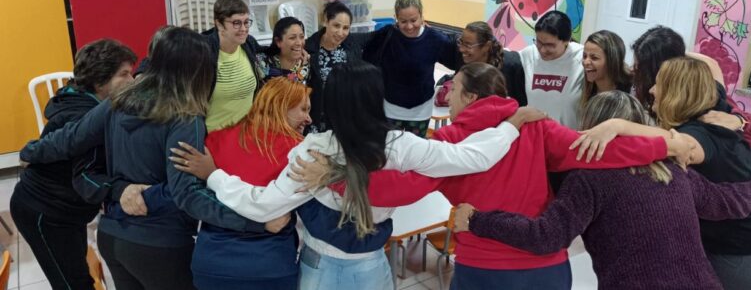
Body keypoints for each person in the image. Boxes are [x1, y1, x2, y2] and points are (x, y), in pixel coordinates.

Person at [293, 63, 692, 290]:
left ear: (469, 98)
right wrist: (666, 145)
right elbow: (599, 151)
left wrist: (335, 177)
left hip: (482, 270)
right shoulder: (538, 127)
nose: (446, 97)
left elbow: (399, 187)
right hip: (545, 269)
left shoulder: (449, 138)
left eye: (453, 90)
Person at [174, 62, 524, 290]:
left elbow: (264, 206)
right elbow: (471, 157)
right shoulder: (402, 146)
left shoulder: (315, 150)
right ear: (377, 99)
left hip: (320, 269)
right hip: (372, 266)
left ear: (331, 104)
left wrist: (216, 175)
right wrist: (512, 125)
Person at [19, 27, 287, 290]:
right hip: (159, 245)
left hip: (112, 237)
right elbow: (187, 196)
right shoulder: (185, 118)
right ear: (198, 71)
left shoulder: (118, 101)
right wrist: (256, 221)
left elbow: (71, 139)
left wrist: (29, 151)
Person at [453, 90, 751, 290]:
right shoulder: (672, 170)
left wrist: (477, 219)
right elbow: (727, 202)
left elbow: (547, 236)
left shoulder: (590, 180)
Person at [573, 57, 751, 290]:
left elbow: (676, 144)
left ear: (676, 92)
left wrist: (617, 126)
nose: (652, 90)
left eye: (659, 83)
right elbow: (712, 66)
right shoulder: (713, 108)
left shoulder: (697, 136)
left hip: (739, 250)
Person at [10, 39, 137, 290]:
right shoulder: (83, 118)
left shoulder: (80, 100)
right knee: (72, 283)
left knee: (79, 271)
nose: (132, 81)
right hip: (45, 212)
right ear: (100, 81)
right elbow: (85, 177)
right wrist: (121, 189)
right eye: (124, 74)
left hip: (65, 210)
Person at [630, 25, 751, 151]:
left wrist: (740, 121)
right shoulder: (663, 79)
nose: (633, 70)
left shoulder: (704, 102)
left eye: (638, 68)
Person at [362, 0, 460, 137]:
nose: (409, 26)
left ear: (422, 16)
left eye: (414, 20)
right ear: (396, 18)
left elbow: (458, 58)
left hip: (421, 111)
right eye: (403, 21)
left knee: (415, 155)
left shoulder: (434, 39)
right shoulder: (386, 36)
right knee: (390, 153)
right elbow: (364, 52)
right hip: (390, 109)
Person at [201, 0, 269, 132]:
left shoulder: (248, 43)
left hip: (246, 133)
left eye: (246, 22)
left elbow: (270, 51)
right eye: (236, 23)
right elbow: (161, 60)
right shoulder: (202, 49)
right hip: (214, 137)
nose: (243, 29)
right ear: (219, 24)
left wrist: (300, 51)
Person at [305, 1, 374, 133]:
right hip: (318, 120)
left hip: (347, 119)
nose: (341, 32)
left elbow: (379, 35)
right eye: (336, 25)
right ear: (325, 21)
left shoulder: (352, 43)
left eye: (346, 28)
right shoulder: (309, 48)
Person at [519, 10, 584, 129]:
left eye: (550, 45)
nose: (542, 50)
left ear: (566, 41)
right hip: (535, 137)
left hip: (567, 138)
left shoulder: (581, 57)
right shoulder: (529, 55)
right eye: (539, 42)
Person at [438, 21, 526, 106]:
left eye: (468, 45)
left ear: (486, 46)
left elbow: (519, 104)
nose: (461, 49)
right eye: (461, 42)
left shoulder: (510, 67)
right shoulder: (461, 57)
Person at [580, 30, 632, 108]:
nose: (586, 62)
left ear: (612, 61)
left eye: (594, 58)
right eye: (584, 56)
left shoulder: (631, 92)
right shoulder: (587, 90)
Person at [254, 17, 310, 83]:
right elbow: (287, 87)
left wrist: (305, 65)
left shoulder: (306, 62)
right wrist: (304, 68)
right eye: (292, 38)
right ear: (278, 41)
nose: (299, 43)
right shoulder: (263, 63)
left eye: (302, 37)